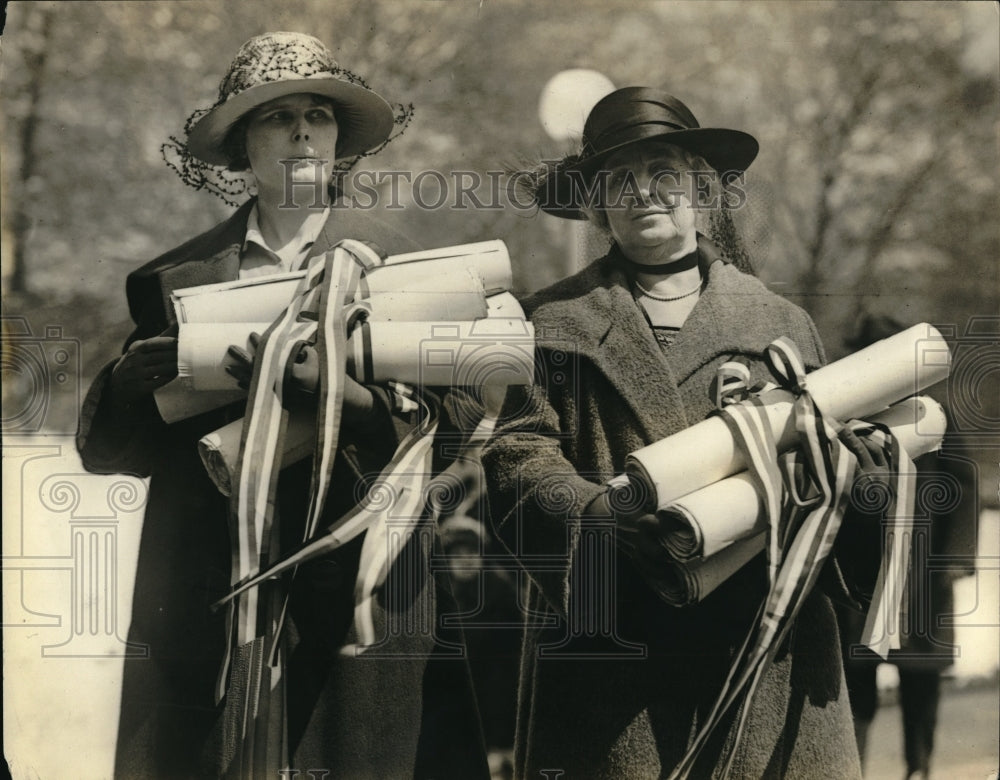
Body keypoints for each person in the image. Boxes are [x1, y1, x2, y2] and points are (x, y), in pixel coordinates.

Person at [77, 32, 487, 779]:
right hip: (208, 591)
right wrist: (127, 383)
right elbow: (113, 456)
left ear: (338, 139)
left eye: (317, 115)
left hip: (358, 584)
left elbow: (455, 431)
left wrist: (346, 398)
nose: (302, 131)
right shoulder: (173, 281)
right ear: (241, 146)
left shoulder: (407, 269)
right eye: (275, 117)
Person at [482, 87, 880, 778]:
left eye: (664, 171)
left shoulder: (780, 323)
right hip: (613, 662)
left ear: (703, 190)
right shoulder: (547, 324)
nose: (644, 193)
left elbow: (834, 481)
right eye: (619, 179)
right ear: (596, 203)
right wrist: (600, 513)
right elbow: (516, 457)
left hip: (766, 657)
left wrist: (860, 470)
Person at [835, 314, 979, 780]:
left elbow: (963, 481)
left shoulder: (930, 412)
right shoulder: (847, 416)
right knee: (855, 681)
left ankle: (919, 767)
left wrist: (955, 558)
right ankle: (851, 766)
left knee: (920, 677)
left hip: (923, 571)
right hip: (863, 570)